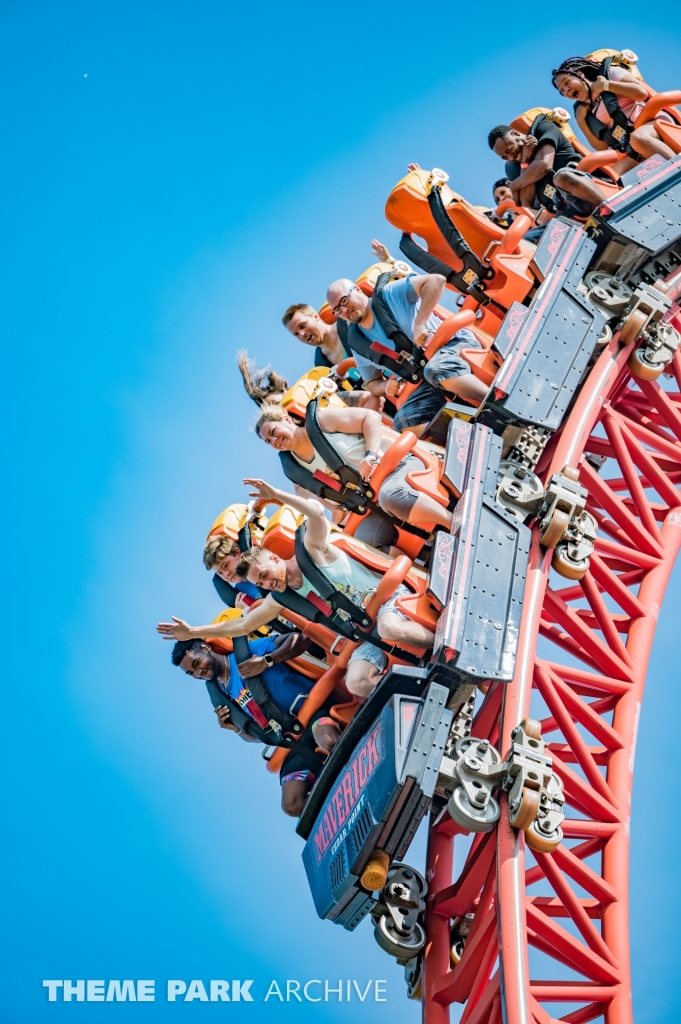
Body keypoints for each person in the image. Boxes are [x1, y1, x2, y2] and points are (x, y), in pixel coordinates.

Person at [157, 480, 436, 700]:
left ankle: (445, 648)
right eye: (260, 583)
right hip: (366, 634)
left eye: (265, 575)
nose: (267, 584)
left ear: (275, 558)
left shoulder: (312, 551)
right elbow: (241, 626)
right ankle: (421, 692)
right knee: (356, 682)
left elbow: (314, 513)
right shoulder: (280, 597)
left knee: (389, 628)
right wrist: (193, 633)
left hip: (390, 601)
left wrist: (276, 493)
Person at [171, 634, 340, 817]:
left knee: (328, 740)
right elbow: (257, 736)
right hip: (293, 741)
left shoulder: (246, 652)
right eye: (191, 674)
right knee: (292, 805)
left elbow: (301, 640)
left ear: (205, 649)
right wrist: (235, 728)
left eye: (196, 664)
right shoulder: (222, 697)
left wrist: (267, 660)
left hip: (313, 714)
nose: (198, 674)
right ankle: (343, 803)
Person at [326, 271, 488, 437]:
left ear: (358, 290)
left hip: (453, 344)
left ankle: (499, 406)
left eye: (344, 300)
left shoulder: (388, 295)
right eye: (338, 310)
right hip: (426, 377)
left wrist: (420, 323)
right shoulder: (358, 343)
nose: (345, 309)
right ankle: (472, 437)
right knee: (403, 422)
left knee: (434, 369)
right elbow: (372, 384)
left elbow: (436, 280)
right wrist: (385, 387)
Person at [254, 401, 454, 532]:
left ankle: (453, 523)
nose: (274, 440)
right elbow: (319, 494)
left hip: (397, 465)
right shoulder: (295, 469)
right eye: (268, 441)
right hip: (371, 502)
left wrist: (371, 455)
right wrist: (334, 509)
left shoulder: (322, 422)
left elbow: (370, 418)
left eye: (273, 431)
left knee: (390, 495)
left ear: (287, 420)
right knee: (362, 542)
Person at [282, 239, 401, 369]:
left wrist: (389, 261)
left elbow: (400, 292)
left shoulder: (349, 319)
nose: (302, 334)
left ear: (315, 316)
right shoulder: (321, 364)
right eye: (296, 334)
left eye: (302, 326)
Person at [552, 56, 676, 173]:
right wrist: (581, 121)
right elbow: (602, 146)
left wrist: (606, 85)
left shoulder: (610, 73)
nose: (566, 90)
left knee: (639, 138)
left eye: (567, 82)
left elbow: (641, 93)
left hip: (650, 122)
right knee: (617, 176)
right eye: (561, 90)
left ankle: (677, 170)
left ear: (580, 75)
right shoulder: (582, 109)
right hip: (628, 144)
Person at [488, 121, 609, 220]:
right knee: (528, 239)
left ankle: (611, 210)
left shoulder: (543, 128)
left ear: (515, 133)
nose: (510, 157)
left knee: (561, 177)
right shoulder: (513, 167)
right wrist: (526, 160)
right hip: (565, 213)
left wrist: (515, 185)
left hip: (585, 193)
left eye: (509, 150)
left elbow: (544, 166)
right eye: (504, 157)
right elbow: (527, 201)